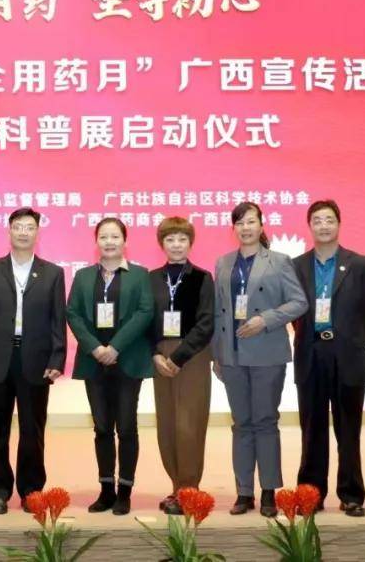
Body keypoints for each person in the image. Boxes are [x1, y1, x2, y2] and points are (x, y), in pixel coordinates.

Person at [0, 207, 66, 514]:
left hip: (35, 359)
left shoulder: (52, 273)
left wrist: (57, 358)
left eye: (29, 227)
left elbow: (57, 320)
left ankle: (31, 490)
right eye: (18, 227)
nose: (23, 232)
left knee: (32, 429)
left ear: (37, 233)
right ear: (9, 231)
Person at [213, 203, 307, 518]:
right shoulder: (223, 262)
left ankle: (268, 491)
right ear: (233, 228)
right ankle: (244, 492)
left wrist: (265, 319)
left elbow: (299, 302)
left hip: (267, 352)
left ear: (262, 225)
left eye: (251, 222)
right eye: (240, 223)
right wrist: (217, 354)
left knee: (265, 422)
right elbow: (217, 312)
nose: (246, 228)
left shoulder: (279, 261)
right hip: (232, 355)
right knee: (241, 424)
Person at [292, 200, 365, 517]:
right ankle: (311, 494)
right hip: (311, 353)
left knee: (348, 430)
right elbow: (293, 310)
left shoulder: (361, 265)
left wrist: (356, 344)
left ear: (339, 224)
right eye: (317, 220)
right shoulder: (297, 266)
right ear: (310, 226)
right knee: (312, 428)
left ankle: (351, 494)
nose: (324, 226)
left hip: (347, 354)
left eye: (329, 220)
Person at [67, 217, 154, 516]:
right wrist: (95, 348)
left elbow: (145, 312)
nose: (109, 242)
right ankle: (106, 490)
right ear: (96, 242)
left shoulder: (140, 275)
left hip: (128, 360)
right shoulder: (83, 276)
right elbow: (73, 313)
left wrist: (115, 347)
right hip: (94, 363)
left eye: (115, 236)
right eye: (103, 236)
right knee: (102, 427)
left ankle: (124, 491)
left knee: (126, 427)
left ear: (125, 241)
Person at [148, 217, 215, 514]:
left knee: (189, 424)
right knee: (167, 424)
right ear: (161, 244)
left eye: (182, 239)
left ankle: (189, 490)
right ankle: (176, 486)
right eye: (170, 239)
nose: (176, 245)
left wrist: (178, 357)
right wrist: (155, 353)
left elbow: (206, 323)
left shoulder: (202, 278)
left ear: (191, 243)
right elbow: (145, 319)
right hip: (160, 357)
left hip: (193, 356)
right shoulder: (151, 278)